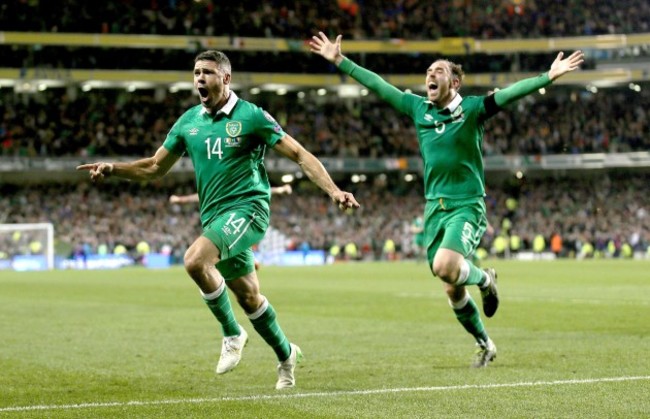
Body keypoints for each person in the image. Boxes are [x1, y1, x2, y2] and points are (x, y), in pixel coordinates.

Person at [77, 50, 360, 389]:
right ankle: (286, 355)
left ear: (225, 79)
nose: (199, 79)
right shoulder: (188, 122)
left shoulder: (251, 116)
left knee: (195, 261)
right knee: (249, 297)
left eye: (207, 72)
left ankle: (232, 333)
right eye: (196, 72)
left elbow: (298, 153)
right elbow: (154, 167)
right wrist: (113, 168)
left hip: (249, 209)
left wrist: (333, 190)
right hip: (214, 217)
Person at [310, 32, 583, 367]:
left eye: (437, 71)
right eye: (428, 72)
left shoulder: (472, 110)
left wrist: (547, 77)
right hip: (434, 209)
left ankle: (485, 278)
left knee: (445, 266)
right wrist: (340, 61)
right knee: (451, 287)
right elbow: (380, 86)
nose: (430, 76)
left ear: (454, 81)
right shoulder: (418, 109)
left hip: (467, 205)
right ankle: (486, 343)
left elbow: (508, 95)